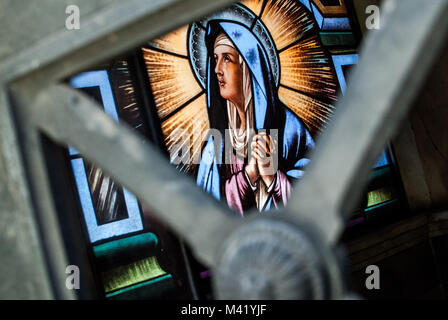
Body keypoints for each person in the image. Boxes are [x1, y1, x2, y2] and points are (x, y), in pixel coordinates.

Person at [196, 20, 315, 216]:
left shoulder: (289, 128)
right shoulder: (216, 144)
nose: (217, 68)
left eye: (227, 58)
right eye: (215, 58)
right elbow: (206, 212)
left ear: (248, 68)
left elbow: (318, 195)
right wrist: (247, 177)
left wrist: (274, 180)